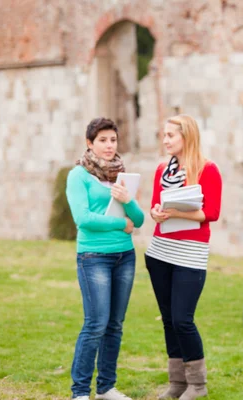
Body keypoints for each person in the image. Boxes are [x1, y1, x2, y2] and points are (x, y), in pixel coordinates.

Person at [66, 117, 145, 400]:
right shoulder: (78, 175)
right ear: (90, 143)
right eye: (102, 140)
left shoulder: (121, 176)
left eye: (113, 139)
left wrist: (127, 200)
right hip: (93, 257)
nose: (109, 145)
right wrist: (120, 224)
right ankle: (79, 392)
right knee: (96, 324)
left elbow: (138, 220)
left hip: (124, 256)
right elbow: (83, 219)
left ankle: (106, 388)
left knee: (115, 325)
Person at [145, 115, 222, 400]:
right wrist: (155, 213)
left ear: (186, 137)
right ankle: (177, 383)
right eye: (163, 135)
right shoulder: (161, 170)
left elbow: (211, 213)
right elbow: (155, 205)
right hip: (159, 251)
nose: (165, 140)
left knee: (182, 320)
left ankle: (198, 386)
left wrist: (177, 212)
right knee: (168, 320)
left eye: (170, 135)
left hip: (190, 254)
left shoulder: (208, 170)